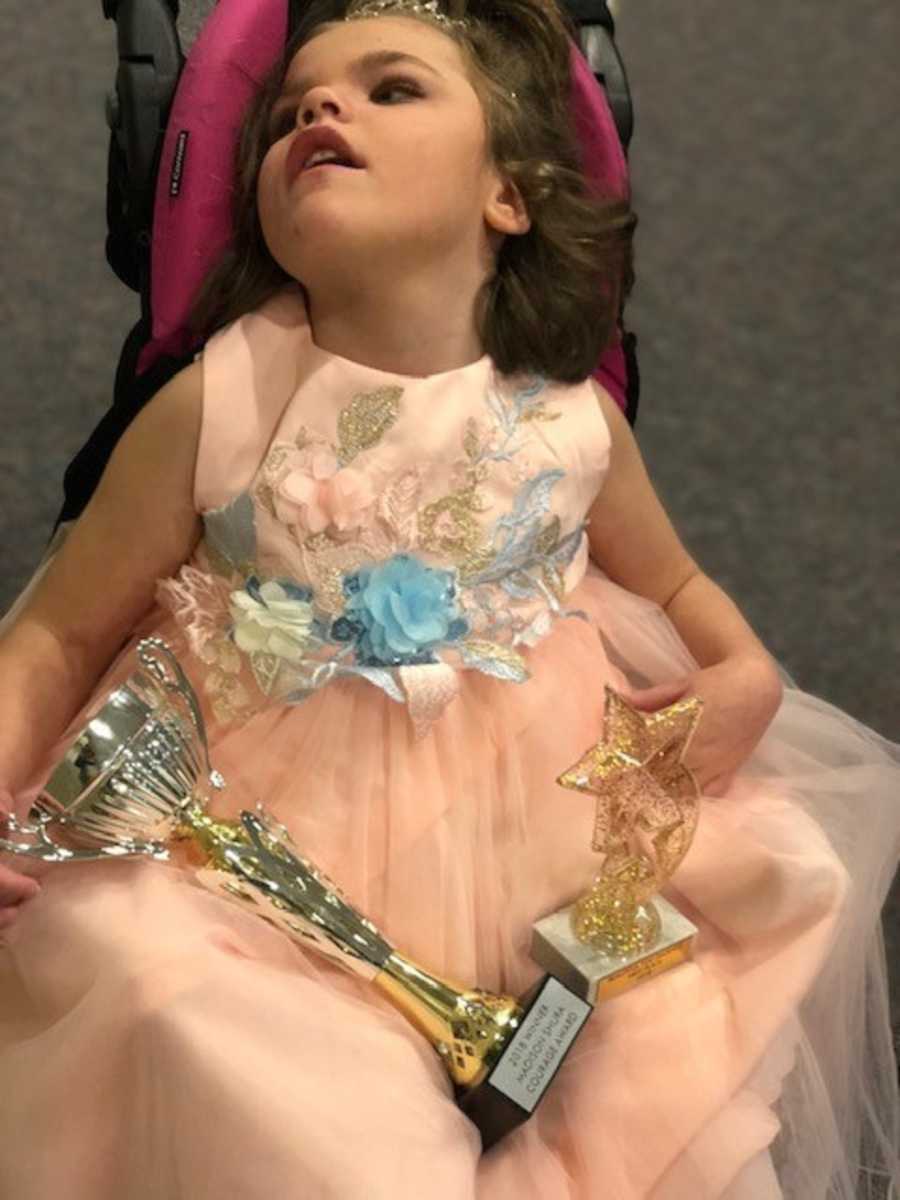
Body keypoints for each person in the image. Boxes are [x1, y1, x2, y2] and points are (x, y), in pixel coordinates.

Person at [0, 0, 897, 1195]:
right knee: (175, 996)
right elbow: (61, 628)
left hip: (542, 844)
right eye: (287, 111)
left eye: (392, 90)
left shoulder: (569, 419)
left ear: (509, 197)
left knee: (649, 1056)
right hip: (245, 850)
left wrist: (739, 674)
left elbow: (674, 577)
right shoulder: (228, 398)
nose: (321, 109)